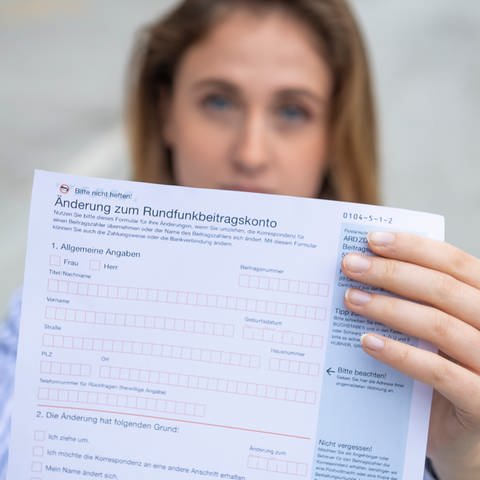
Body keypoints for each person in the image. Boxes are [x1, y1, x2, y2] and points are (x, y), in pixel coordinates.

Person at [1, 1, 479, 479]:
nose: (250, 153)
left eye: (292, 110)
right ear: (166, 111)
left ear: (334, 134)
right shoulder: (44, 327)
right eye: (219, 101)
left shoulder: (409, 357)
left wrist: (460, 461)